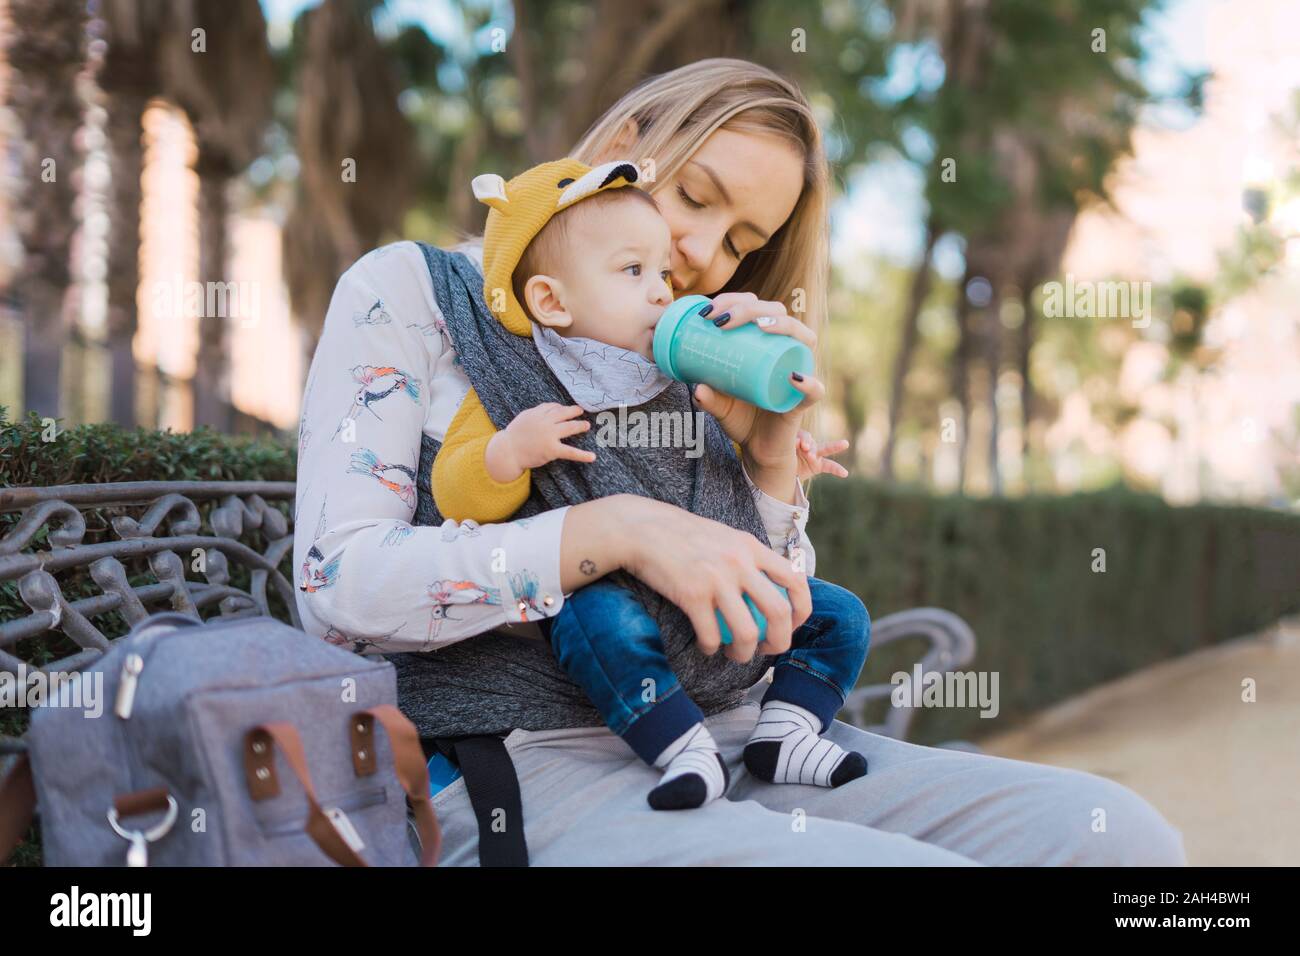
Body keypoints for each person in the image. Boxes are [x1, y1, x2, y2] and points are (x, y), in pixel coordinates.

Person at [294, 58, 1188, 865]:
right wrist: (613, 530)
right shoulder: (412, 292)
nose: (697, 257)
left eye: (737, 241)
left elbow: (760, 618)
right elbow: (336, 585)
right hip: (518, 759)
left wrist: (766, 459)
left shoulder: (686, 349)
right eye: (695, 198)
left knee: (1118, 838)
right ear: (619, 148)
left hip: (739, 733)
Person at [427, 156, 870, 810]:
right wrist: (504, 453)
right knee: (592, 621)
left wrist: (772, 451)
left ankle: (789, 728)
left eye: (663, 273)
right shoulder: (514, 380)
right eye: (635, 272)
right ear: (552, 299)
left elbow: (734, 521)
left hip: (710, 606)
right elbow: (452, 493)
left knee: (835, 612)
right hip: (611, 598)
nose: (665, 289)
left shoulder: (683, 381)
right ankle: (677, 745)